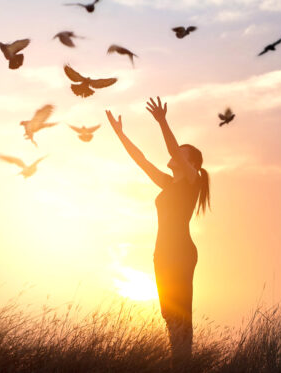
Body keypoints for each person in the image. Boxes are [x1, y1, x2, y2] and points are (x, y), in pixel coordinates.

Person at [105, 97, 210, 360]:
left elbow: (173, 150)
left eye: (181, 153)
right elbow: (141, 160)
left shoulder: (192, 181)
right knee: (170, 315)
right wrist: (121, 134)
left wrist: (162, 122)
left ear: (192, 164)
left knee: (181, 313)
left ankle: (184, 365)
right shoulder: (169, 184)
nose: (174, 155)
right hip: (162, 253)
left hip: (180, 252)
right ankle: (180, 363)